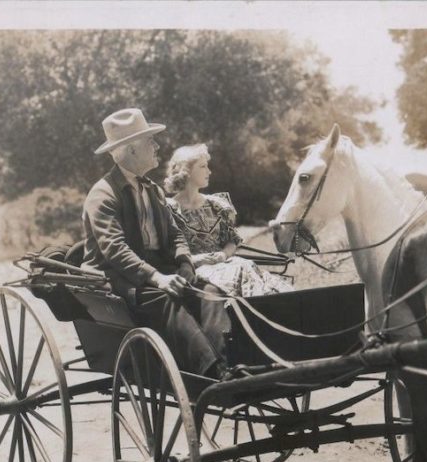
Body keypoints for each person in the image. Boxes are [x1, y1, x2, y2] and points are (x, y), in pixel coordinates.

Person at [81, 108, 230, 379]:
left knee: (209, 291)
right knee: (166, 299)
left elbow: (174, 234)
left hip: (157, 270)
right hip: (118, 279)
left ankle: (226, 361)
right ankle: (213, 371)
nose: (158, 146)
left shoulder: (152, 189)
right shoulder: (103, 195)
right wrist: (157, 278)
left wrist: (184, 262)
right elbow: (115, 250)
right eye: (150, 142)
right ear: (132, 150)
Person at [164, 144, 293, 297]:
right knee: (236, 271)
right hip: (195, 271)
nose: (209, 171)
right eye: (203, 166)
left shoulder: (217, 205)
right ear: (187, 171)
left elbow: (232, 241)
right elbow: (166, 252)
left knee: (246, 267)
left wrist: (223, 255)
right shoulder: (168, 209)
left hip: (226, 263)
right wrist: (194, 259)